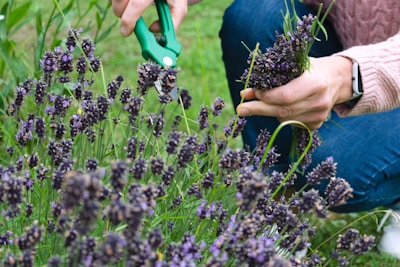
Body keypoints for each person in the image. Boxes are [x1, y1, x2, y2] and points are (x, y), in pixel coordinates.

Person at [110, 0, 400, 259]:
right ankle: (277, 206)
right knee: (255, 14)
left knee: (333, 165)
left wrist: (350, 75)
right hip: (347, 54)